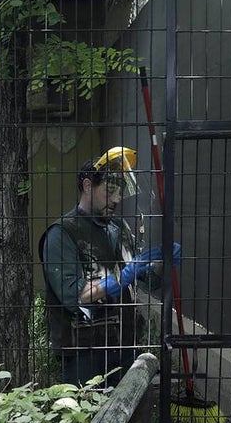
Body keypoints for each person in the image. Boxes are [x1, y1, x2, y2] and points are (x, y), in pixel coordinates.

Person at [39, 146, 181, 387]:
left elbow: (150, 280)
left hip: (124, 347)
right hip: (84, 354)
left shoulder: (119, 228)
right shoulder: (62, 234)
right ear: (87, 186)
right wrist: (121, 276)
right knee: (89, 421)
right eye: (110, 191)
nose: (116, 199)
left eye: (119, 191)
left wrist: (161, 263)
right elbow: (75, 295)